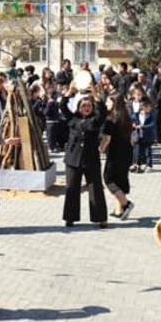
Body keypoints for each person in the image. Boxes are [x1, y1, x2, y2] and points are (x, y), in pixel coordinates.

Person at [61, 91, 107, 228]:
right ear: (78, 106)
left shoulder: (95, 119)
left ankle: (101, 218)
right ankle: (70, 217)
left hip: (91, 158)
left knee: (95, 188)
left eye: (89, 106)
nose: (86, 108)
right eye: (83, 105)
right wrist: (69, 93)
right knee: (72, 188)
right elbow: (63, 107)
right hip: (73, 158)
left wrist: (97, 99)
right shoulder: (72, 118)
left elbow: (103, 113)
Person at [103, 98, 135, 220]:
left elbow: (107, 139)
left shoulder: (111, 120)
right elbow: (132, 138)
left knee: (108, 179)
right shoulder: (127, 119)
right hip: (127, 151)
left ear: (114, 103)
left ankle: (126, 204)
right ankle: (119, 210)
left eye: (108, 102)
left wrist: (100, 148)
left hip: (115, 153)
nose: (106, 104)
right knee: (121, 180)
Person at [133, 99, 157, 173]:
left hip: (147, 135)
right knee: (138, 151)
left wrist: (143, 126)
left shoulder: (151, 115)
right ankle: (137, 164)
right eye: (148, 107)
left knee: (148, 151)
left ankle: (149, 165)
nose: (150, 108)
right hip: (138, 135)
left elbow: (152, 124)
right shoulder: (136, 114)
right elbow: (132, 119)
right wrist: (133, 124)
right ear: (144, 107)